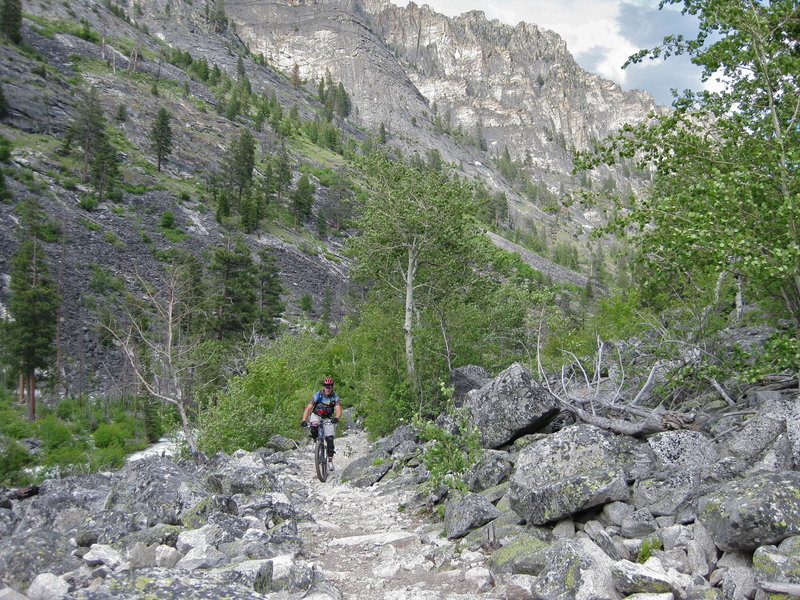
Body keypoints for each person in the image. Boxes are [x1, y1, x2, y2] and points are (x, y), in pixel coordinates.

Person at [300, 377, 342, 471]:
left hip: (328, 417)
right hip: (317, 415)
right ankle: (316, 440)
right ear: (323, 387)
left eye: (330, 387)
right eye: (326, 386)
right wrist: (303, 420)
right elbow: (308, 408)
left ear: (332, 387)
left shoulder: (334, 397)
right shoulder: (317, 395)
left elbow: (338, 409)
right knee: (314, 425)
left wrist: (336, 418)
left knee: (330, 439)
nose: (328, 388)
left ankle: (330, 461)